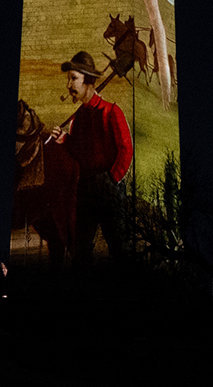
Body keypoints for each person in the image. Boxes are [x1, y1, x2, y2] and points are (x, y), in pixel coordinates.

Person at [47, 51, 132, 267]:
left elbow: (126, 150)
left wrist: (112, 180)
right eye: (69, 78)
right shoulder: (80, 117)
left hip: (108, 187)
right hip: (85, 188)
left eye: (73, 78)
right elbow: (79, 153)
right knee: (81, 250)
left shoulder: (111, 112)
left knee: (119, 248)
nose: (69, 84)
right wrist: (64, 140)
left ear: (89, 80)